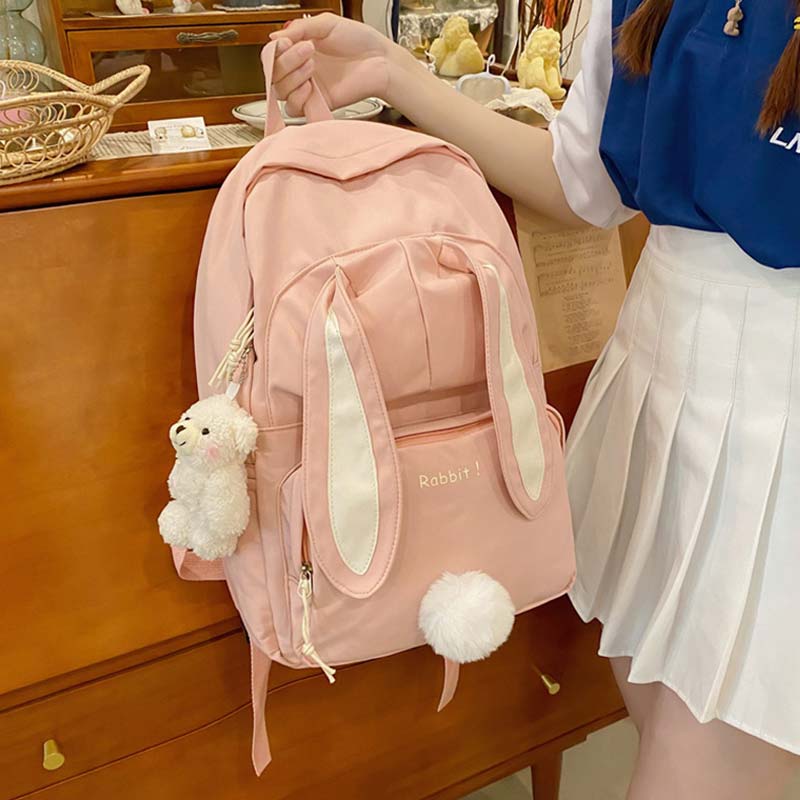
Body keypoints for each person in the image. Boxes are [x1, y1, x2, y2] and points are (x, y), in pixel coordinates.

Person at [270, 2, 800, 797]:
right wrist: (392, 72)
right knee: (672, 734)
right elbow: (585, 181)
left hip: (778, 422)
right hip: (661, 391)